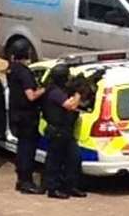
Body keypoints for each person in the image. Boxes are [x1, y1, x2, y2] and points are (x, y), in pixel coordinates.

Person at [6, 39, 45, 194]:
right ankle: (26, 182)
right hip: (27, 117)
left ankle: (21, 179)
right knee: (27, 150)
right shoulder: (24, 72)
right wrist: (45, 89)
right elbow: (31, 96)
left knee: (22, 149)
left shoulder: (11, 70)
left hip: (16, 115)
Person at [43, 64, 87, 199]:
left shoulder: (62, 90)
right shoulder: (54, 92)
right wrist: (78, 93)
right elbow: (71, 105)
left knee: (74, 158)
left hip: (66, 131)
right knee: (54, 161)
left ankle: (71, 186)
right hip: (57, 131)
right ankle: (53, 188)